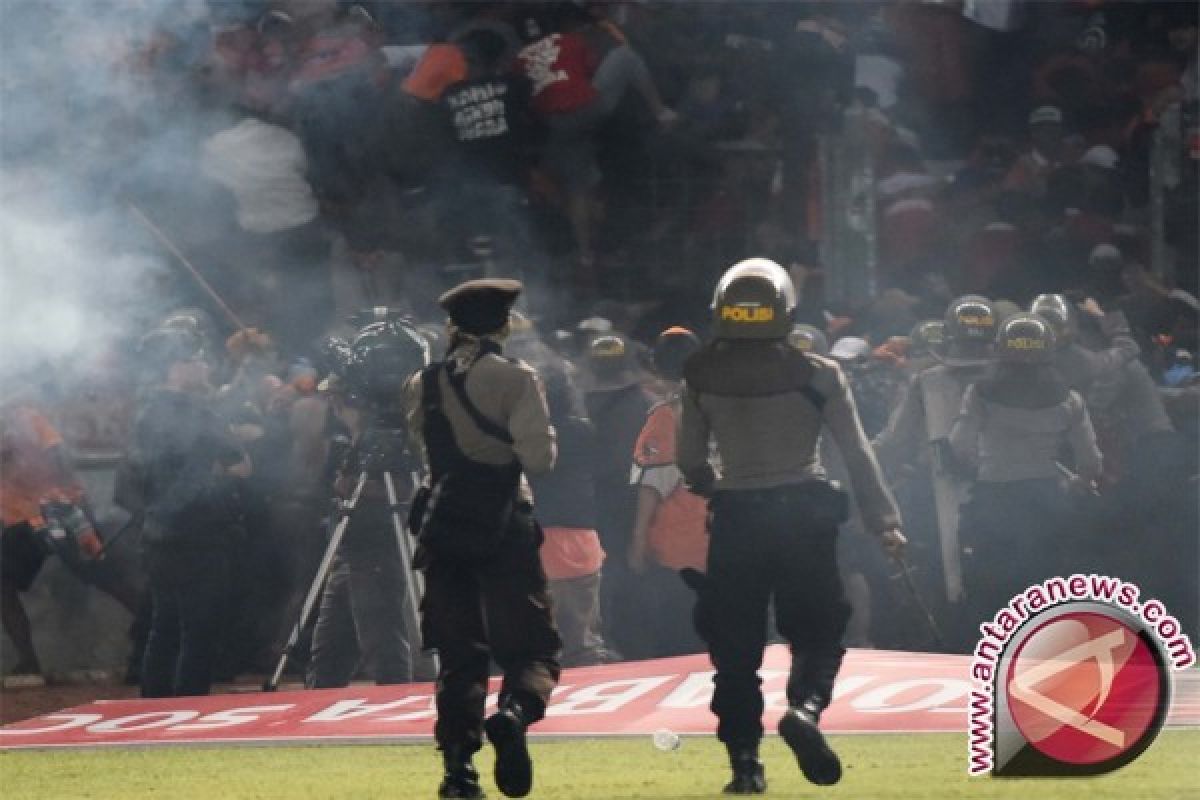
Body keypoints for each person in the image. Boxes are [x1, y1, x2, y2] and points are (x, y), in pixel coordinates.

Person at [676, 259, 905, 793]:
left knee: (734, 649)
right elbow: (857, 454)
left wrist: (712, 480)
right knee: (820, 631)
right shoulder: (822, 373)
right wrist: (885, 522)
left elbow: (689, 459)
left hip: (736, 515)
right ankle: (803, 711)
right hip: (805, 512)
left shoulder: (699, 375)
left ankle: (745, 767)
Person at [403, 279, 561, 800]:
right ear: (503, 326)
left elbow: (422, 455)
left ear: (452, 328)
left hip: (445, 527)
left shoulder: (420, 383)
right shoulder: (516, 379)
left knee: (458, 654)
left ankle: (457, 771)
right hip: (504, 523)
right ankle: (513, 715)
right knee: (532, 647)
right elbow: (539, 458)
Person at [950, 313, 1102, 623]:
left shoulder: (979, 394)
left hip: (993, 497)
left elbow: (959, 446)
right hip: (1046, 500)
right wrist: (1076, 483)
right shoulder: (1070, 400)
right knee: (1045, 586)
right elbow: (1091, 462)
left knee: (993, 584)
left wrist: (974, 468)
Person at [133, 327, 249, 698]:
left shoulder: (148, 411)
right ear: (176, 366)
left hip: (159, 531)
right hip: (200, 531)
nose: (203, 365)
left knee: (163, 625)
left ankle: (152, 707)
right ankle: (190, 707)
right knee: (199, 629)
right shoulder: (197, 411)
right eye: (196, 358)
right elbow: (242, 463)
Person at [627, 327, 707, 658]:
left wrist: (638, 540)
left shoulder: (666, 415)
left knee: (682, 642)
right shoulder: (725, 405)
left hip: (682, 547)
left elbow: (652, 486)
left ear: (657, 367)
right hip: (730, 539)